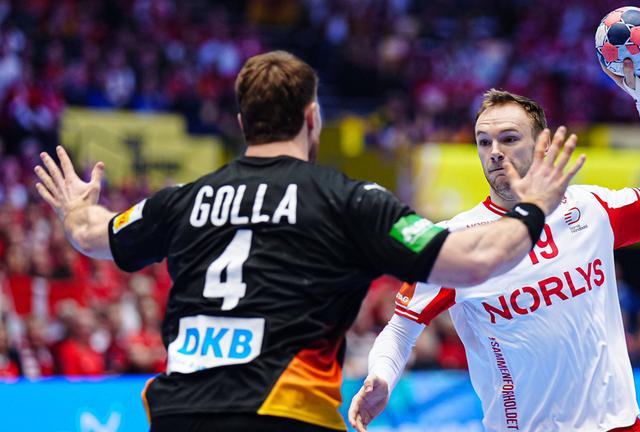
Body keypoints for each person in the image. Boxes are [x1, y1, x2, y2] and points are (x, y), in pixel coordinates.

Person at [33, 51, 584, 432]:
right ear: (312, 118)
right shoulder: (349, 200)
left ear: (244, 120)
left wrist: (78, 206)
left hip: (178, 412)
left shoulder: (182, 198)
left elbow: (91, 235)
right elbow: (476, 259)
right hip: (284, 412)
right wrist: (535, 202)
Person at [349, 59, 640, 432]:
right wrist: (381, 376)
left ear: (542, 143)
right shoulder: (456, 239)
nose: (495, 151)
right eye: (484, 142)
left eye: (509, 138)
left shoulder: (589, 209)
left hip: (619, 426)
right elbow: (402, 327)